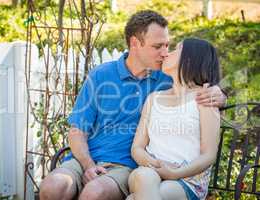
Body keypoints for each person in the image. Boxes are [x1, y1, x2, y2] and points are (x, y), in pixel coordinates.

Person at [39, 10, 226, 200]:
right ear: (135, 44)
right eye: (157, 46)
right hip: (85, 159)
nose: (165, 53)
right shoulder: (101, 75)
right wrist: (88, 165)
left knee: (94, 193)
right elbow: (77, 131)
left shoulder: (167, 78)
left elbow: (195, 83)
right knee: (53, 186)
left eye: (168, 46)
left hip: (125, 166)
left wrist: (219, 94)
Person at [127, 38, 221, 200]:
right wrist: (157, 165)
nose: (167, 53)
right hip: (149, 171)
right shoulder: (153, 99)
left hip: (188, 180)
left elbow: (209, 155)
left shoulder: (205, 99)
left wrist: (174, 173)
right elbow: (137, 148)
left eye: (176, 49)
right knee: (144, 177)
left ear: (190, 59)